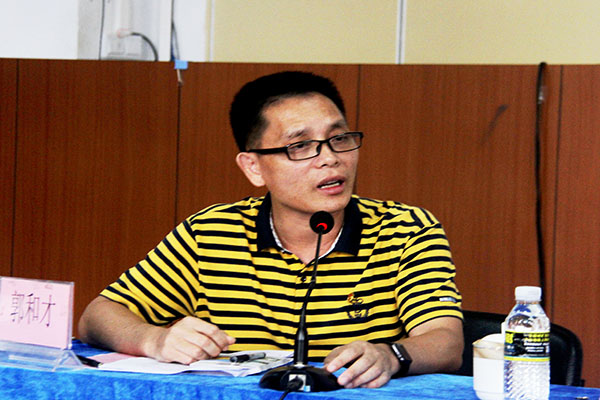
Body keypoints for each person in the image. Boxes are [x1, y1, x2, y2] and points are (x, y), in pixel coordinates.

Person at [78, 71, 464, 389]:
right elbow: (98, 316)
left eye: (340, 139)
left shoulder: (406, 230)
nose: (330, 159)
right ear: (253, 167)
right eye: (301, 146)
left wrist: (390, 355)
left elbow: (446, 341)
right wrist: (155, 339)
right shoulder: (210, 234)